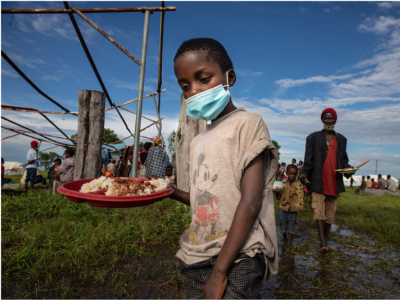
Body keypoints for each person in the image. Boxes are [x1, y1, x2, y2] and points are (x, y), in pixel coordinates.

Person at [169, 38, 278, 299]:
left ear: (229, 77)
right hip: (195, 254)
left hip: (240, 256)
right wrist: (170, 192)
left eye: (203, 79)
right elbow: (205, 201)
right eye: (185, 86)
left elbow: (250, 203)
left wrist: (219, 273)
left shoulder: (248, 124)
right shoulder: (198, 141)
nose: (193, 90)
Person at [300, 108, 352, 254]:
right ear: (322, 120)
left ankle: (325, 242)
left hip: (334, 182)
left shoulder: (342, 139)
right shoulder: (313, 138)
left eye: (331, 118)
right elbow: (308, 160)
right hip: (318, 181)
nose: (329, 120)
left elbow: (344, 161)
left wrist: (348, 169)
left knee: (329, 215)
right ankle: (323, 244)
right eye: (326, 118)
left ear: (335, 120)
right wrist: (305, 174)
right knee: (319, 212)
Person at [275, 165, 308, 248]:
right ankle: (284, 236)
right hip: (283, 208)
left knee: (291, 225)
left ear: (297, 174)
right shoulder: (282, 184)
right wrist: (276, 192)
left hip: (293, 209)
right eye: (290, 174)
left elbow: (307, 184)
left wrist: (304, 178)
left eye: (294, 174)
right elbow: (278, 197)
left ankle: (288, 243)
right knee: (282, 224)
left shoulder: (299, 184)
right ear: (287, 173)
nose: (292, 176)